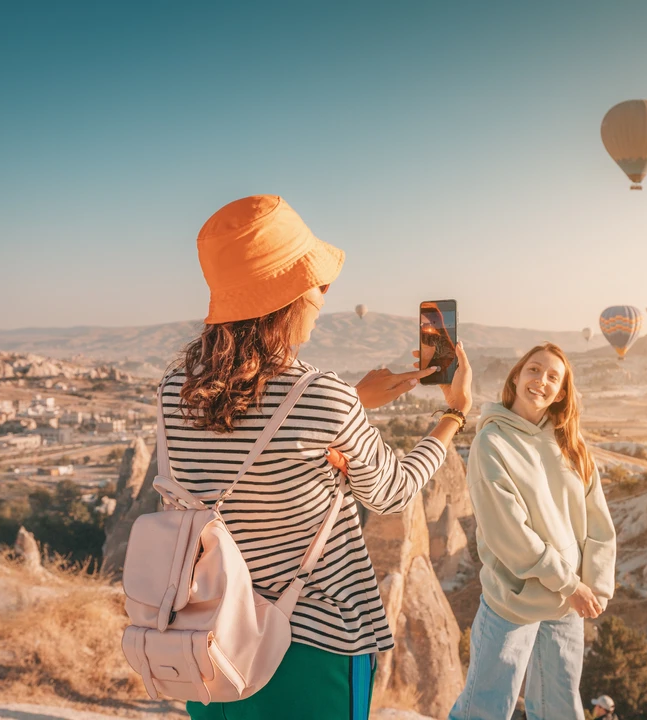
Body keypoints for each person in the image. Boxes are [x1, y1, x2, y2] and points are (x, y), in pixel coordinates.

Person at [163, 195, 473, 720]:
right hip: (315, 644)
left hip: (211, 640)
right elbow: (392, 491)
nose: (324, 294)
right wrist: (455, 416)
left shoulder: (174, 392)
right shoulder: (322, 397)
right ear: (284, 298)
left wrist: (350, 399)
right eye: (316, 283)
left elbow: (250, 437)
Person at [449, 343, 618, 720]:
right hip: (515, 601)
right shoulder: (492, 443)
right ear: (516, 376)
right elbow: (509, 534)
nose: (541, 381)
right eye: (534, 370)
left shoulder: (571, 444)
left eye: (552, 377)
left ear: (561, 393)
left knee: (561, 709)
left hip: (566, 604)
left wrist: (597, 585)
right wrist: (571, 584)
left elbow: (598, 520)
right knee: (486, 709)